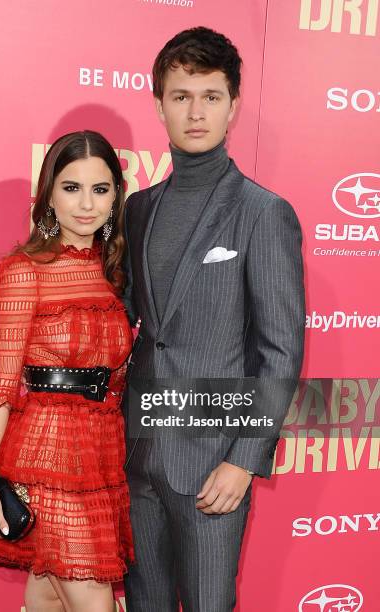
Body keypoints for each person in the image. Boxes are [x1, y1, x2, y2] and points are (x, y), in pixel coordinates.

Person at [121, 27, 305, 611]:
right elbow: (130, 320)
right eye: (181, 96)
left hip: (211, 464)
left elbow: (279, 350)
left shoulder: (263, 213)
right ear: (159, 105)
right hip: (136, 454)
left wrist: (243, 459)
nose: (195, 112)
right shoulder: (138, 208)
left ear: (232, 106)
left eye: (210, 96)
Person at [0, 130, 134, 612]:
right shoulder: (24, 270)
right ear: (48, 196)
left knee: (48, 597)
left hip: (102, 452)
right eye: (71, 187)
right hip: (46, 454)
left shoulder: (112, 270)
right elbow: (1, 388)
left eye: (100, 190)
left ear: (115, 196)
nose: (87, 204)